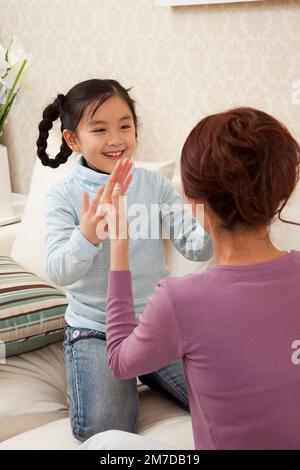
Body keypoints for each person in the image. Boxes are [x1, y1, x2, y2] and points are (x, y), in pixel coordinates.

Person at [105, 107, 300, 450]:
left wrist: (119, 248)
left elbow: (120, 360)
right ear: (279, 195)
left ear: (196, 204)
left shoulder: (180, 299)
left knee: (104, 446)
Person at [36, 78, 212, 442]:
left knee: (218, 399)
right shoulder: (63, 197)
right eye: (99, 129)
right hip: (95, 332)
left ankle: (146, 373)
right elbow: (58, 270)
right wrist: (86, 236)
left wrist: (215, 214)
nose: (116, 139)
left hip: (155, 325)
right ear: (73, 140)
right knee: (104, 432)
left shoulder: (154, 186)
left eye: (125, 126)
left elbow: (197, 248)